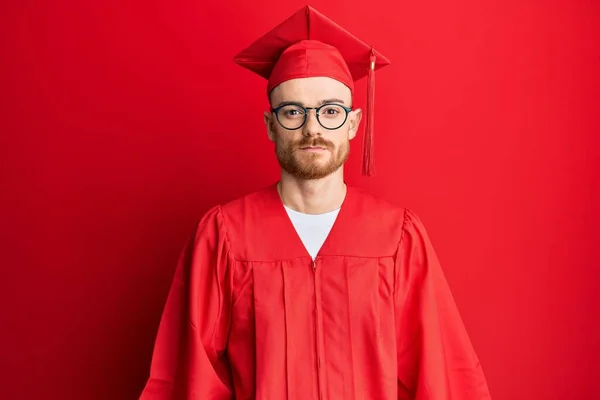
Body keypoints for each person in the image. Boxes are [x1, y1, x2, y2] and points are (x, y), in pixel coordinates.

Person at [139, 5, 491, 400]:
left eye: (330, 111)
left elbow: (441, 376)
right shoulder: (224, 236)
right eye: (293, 111)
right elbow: (190, 380)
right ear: (271, 126)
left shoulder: (398, 238)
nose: (312, 128)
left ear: (354, 123)